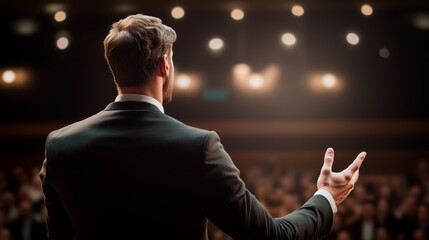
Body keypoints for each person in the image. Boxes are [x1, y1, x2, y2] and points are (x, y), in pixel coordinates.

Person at [39, 14, 366, 239]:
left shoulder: (61, 145)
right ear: (165, 64)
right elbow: (270, 236)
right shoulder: (197, 146)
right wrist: (326, 197)